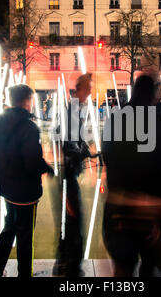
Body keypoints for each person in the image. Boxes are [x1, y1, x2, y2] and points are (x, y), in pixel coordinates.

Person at [102, 74, 161, 277]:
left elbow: (107, 157)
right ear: (153, 96)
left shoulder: (115, 121)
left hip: (119, 207)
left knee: (123, 269)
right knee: (153, 268)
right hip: (153, 211)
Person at [0, 85, 53, 278]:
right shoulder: (29, 127)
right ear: (26, 100)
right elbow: (31, 160)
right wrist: (48, 168)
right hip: (26, 190)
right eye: (31, 100)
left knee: (9, 228)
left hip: (7, 187)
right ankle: (25, 273)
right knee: (25, 235)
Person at [53, 73, 94, 277]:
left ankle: (66, 263)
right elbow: (67, 143)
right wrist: (81, 152)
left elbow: (72, 138)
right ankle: (68, 266)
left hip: (69, 176)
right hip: (68, 177)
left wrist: (84, 146)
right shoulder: (74, 109)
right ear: (81, 88)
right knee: (72, 223)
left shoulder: (76, 108)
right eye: (89, 86)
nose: (91, 90)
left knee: (71, 223)